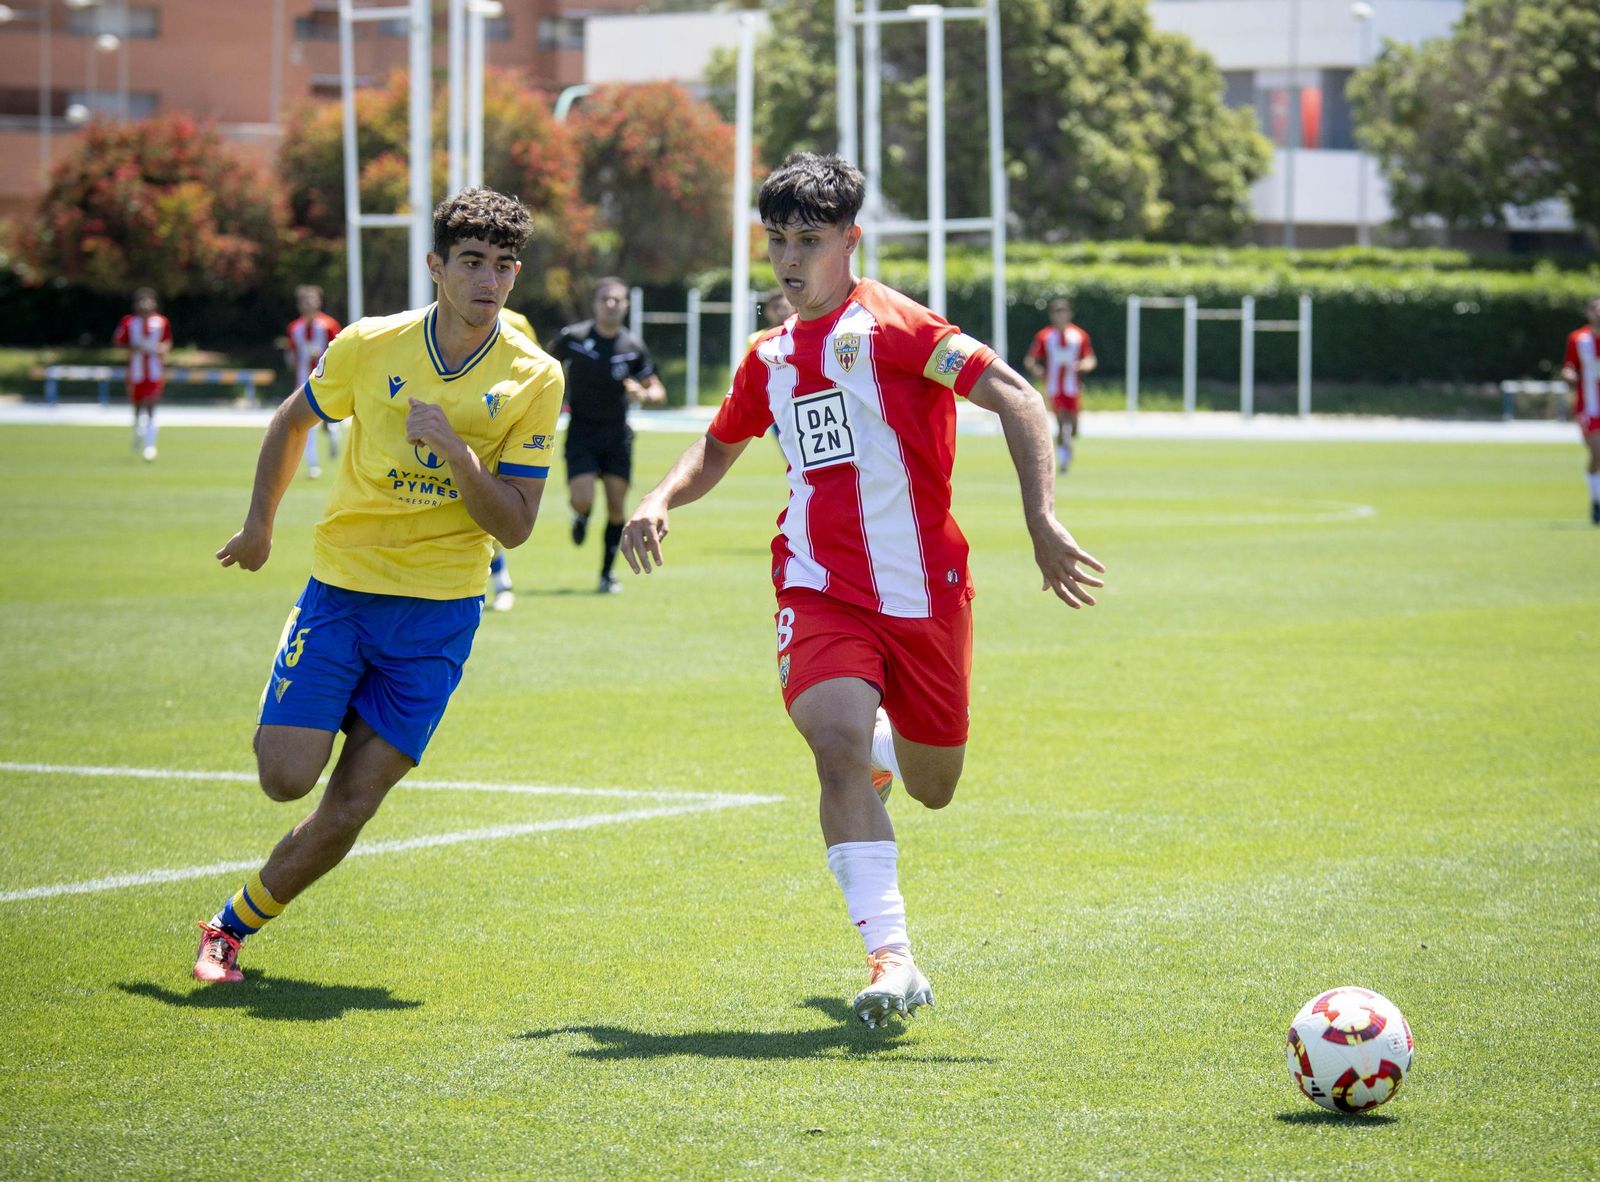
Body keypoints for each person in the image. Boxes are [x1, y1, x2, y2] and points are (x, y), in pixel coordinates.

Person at [619, 154, 1105, 1028]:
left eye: (809, 240)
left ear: (850, 240)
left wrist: (1041, 519)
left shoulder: (898, 327)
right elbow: (719, 447)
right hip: (818, 585)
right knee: (834, 743)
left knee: (933, 786)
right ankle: (892, 958)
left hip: (927, 593)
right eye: (777, 241)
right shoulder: (769, 356)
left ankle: (886, 748)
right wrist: (659, 497)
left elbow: (1018, 398)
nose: (790, 259)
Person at [193, 188, 564, 984]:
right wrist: (259, 526)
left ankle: (228, 930)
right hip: (345, 589)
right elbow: (292, 420)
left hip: (440, 615)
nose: (489, 280)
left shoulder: (535, 376)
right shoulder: (369, 344)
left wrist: (459, 454)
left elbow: (516, 525)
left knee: (353, 804)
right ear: (435, 265)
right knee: (285, 778)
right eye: (472, 262)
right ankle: (313, 688)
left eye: (504, 266)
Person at [545, 277, 666, 593]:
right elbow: (542, 367)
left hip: (616, 436)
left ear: (626, 305)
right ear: (596, 303)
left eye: (617, 300)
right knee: (582, 498)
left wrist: (643, 394)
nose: (611, 305)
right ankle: (581, 516)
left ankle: (606, 575)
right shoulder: (573, 338)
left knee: (616, 507)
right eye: (605, 299)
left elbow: (657, 390)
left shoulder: (632, 347)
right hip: (581, 432)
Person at [488, 307, 543, 611]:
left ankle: (501, 583)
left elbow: (537, 367)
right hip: (461, 418)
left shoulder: (516, 321)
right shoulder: (437, 318)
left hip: (503, 424)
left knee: (495, 506)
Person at [1024, 297, 1096, 474]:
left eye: (1063, 312)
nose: (1060, 316)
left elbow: (1090, 358)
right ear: (1051, 315)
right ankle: (1063, 458)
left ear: (1069, 314)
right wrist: (1038, 370)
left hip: (1072, 387)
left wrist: (1083, 365)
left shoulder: (1079, 336)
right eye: (1057, 312)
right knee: (1062, 422)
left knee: (1074, 427)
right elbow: (1031, 360)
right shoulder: (1045, 336)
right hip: (1054, 387)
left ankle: (1067, 444)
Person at [284, 285, 343, 479]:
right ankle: (313, 465)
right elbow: (292, 355)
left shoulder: (329, 325)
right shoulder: (294, 328)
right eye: (304, 301)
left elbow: (340, 350)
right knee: (305, 425)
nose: (308, 304)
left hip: (328, 381)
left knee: (330, 416)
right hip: (303, 383)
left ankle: (332, 430)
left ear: (319, 302)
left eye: (312, 300)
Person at [113, 287, 173, 462]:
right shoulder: (129, 322)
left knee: (151, 406)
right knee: (138, 407)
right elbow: (118, 342)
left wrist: (161, 349)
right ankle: (139, 432)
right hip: (136, 370)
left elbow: (167, 342)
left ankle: (150, 446)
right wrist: (133, 348)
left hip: (154, 371)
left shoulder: (161, 322)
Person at [1560, 295, 1600, 524]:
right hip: (1590, 407)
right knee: (1597, 453)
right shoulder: (1578, 339)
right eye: (1596, 309)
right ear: (1589, 313)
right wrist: (1569, 374)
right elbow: (1569, 365)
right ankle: (1596, 501)